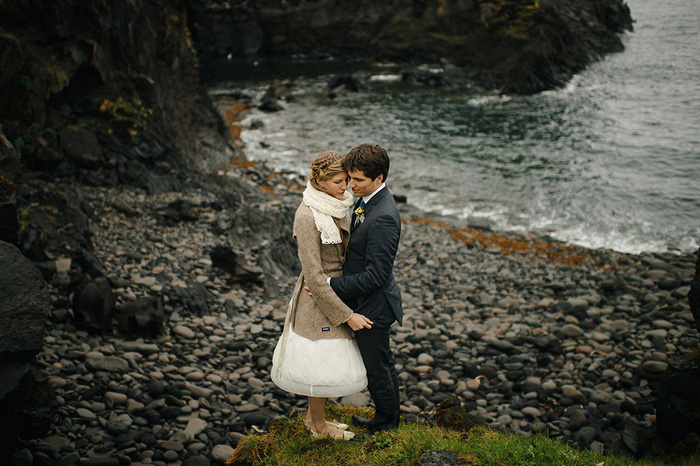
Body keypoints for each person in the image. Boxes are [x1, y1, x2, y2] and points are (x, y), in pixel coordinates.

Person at [270, 150, 373, 440]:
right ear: (320, 181)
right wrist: (347, 315)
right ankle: (317, 427)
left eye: (348, 180)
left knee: (323, 362)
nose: (347, 187)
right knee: (319, 364)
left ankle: (316, 420)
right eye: (340, 181)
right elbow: (313, 276)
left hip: (338, 289)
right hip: (318, 300)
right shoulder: (306, 216)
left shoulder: (337, 205)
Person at [325, 143, 403, 434]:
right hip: (367, 299)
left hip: (374, 305)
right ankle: (389, 419)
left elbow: (376, 277)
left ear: (379, 179)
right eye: (349, 177)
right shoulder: (365, 201)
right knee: (384, 363)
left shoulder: (383, 217)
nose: (350, 185)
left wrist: (331, 284)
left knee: (377, 368)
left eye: (357, 180)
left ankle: (385, 426)